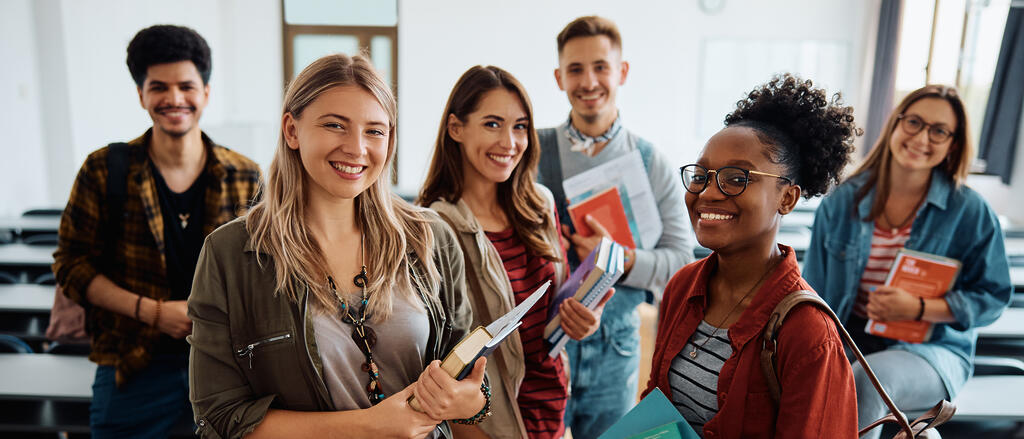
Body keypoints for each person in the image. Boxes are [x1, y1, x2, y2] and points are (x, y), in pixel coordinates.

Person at [187, 53, 488, 439]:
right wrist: (368, 426)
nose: (356, 148)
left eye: (375, 131)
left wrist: (469, 401)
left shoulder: (430, 238)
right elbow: (219, 416)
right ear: (292, 130)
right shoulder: (230, 252)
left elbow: (471, 379)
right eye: (335, 125)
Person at [51, 25, 261, 438]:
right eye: (158, 87)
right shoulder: (104, 169)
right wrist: (153, 312)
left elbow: (263, 270)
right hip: (132, 361)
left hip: (228, 364)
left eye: (186, 86)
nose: (174, 99)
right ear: (141, 94)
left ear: (206, 91)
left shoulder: (245, 174)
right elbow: (71, 266)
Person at [643, 74, 860, 438]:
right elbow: (656, 410)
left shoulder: (808, 335)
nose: (708, 193)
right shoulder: (683, 286)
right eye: (701, 175)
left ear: (786, 198)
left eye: (736, 178)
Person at [803, 85, 1013, 439]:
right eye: (914, 122)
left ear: (953, 144)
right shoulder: (840, 202)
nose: (922, 138)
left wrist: (919, 308)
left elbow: (993, 298)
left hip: (931, 349)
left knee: (867, 380)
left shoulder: (971, 211)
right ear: (895, 125)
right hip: (848, 341)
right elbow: (814, 294)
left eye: (939, 131)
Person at [419, 65, 613, 439]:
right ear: (456, 128)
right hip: (488, 423)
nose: (509, 141)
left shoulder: (540, 204)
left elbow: (552, 310)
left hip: (553, 409)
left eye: (520, 126)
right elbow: (439, 354)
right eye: (492, 124)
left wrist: (586, 319)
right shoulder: (434, 227)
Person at [535, 16, 695, 437]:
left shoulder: (651, 161)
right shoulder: (532, 152)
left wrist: (616, 258)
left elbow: (681, 259)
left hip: (616, 351)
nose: (589, 81)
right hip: (543, 346)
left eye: (601, 67)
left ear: (621, 72)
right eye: (575, 69)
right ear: (559, 78)